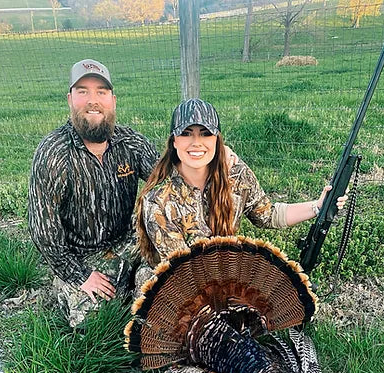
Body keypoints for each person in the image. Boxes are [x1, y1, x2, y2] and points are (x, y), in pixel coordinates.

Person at [28, 60, 238, 328]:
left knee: (172, 275)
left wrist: (214, 156)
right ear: (70, 99)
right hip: (82, 257)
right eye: (83, 91)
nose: (93, 100)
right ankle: (71, 287)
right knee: (92, 321)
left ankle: (144, 280)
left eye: (101, 92)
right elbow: (43, 231)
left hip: (131, 240)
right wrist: (79, 275)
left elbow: (174, 175)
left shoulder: (130, 142)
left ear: (113, 100)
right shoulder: (53, 153)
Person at [135, 98, 348, 279]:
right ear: (174, 141)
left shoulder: (236, 173)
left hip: (220, 270)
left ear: (217, 140)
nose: (196, 142)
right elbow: (182, 272)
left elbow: (267, 215)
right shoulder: (158, 200)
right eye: (187, 133)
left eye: (206, 133)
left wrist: (318, 207)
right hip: (173, 281)